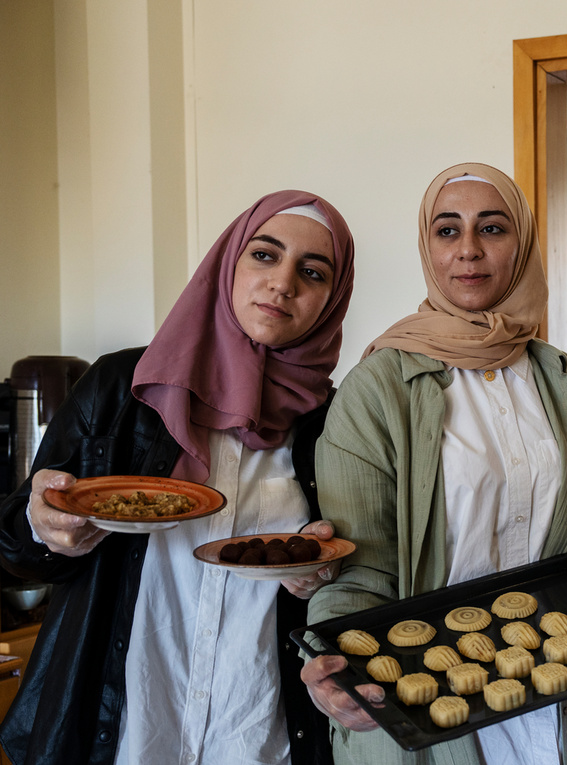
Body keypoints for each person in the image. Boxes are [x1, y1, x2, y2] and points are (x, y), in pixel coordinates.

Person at [0, 190, 356, 765]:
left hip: (257, 727)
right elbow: (13, 545)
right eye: (264, 255)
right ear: (227, 263)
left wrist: (324, 576)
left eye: (311, 272)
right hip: (123, 725)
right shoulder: (123, 386)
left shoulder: (333, 425)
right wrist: (44, 525)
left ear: (331, 300)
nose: (283, 283)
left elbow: (350, 581)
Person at [300, 162, 567, 765]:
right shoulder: (379, 388)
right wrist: (335, 672)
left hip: (558, 689)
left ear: (521, 244)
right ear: (427, 246)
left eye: (492, 229)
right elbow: (357, 567)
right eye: (448, 231)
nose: (468, 250)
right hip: (428, 697)